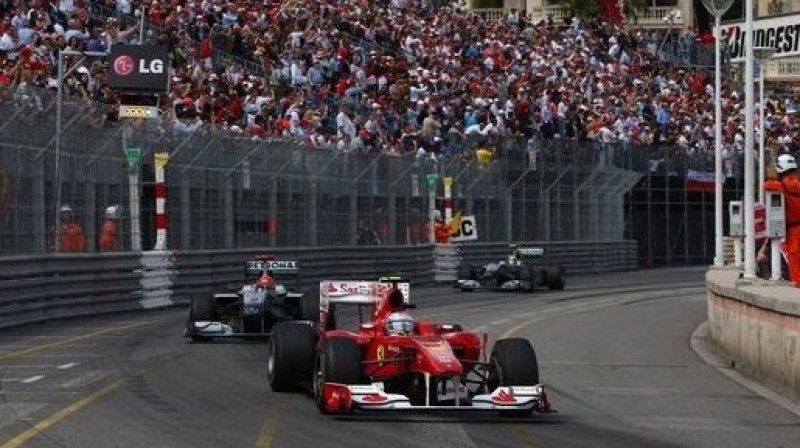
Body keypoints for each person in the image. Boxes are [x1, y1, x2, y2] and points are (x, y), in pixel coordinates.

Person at [764, 154, 800, 286]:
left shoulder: (781, 185)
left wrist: (771, 174)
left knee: (796, 260)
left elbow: (766, 185)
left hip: (794, 229)